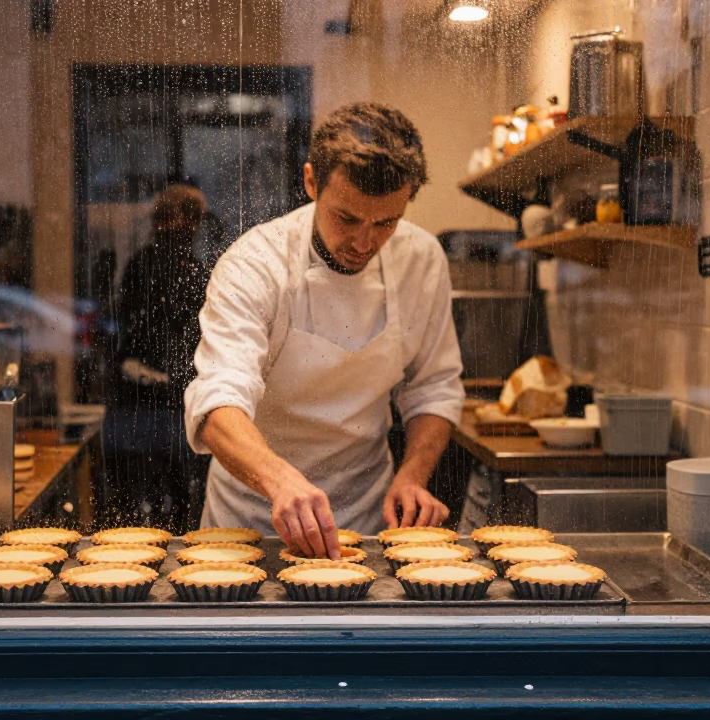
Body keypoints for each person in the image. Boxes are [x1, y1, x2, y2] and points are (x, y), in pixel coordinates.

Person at [184, 102, 464, 560]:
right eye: (347, 218)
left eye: (386, 223)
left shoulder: (423, 260)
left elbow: (433, 387)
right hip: (251, 523)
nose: (364, 242)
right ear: (311, 181)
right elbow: (218, 401)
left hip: (366, 522)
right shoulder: (256, 263)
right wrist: (279, 480)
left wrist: (413, 475)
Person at [103, 184, 213, 531]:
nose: (192, 228)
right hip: (157, 404)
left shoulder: (159, 266)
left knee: (147, 505)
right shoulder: (174, 270)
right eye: (191, 218)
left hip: (154, 401)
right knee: (169, 503)